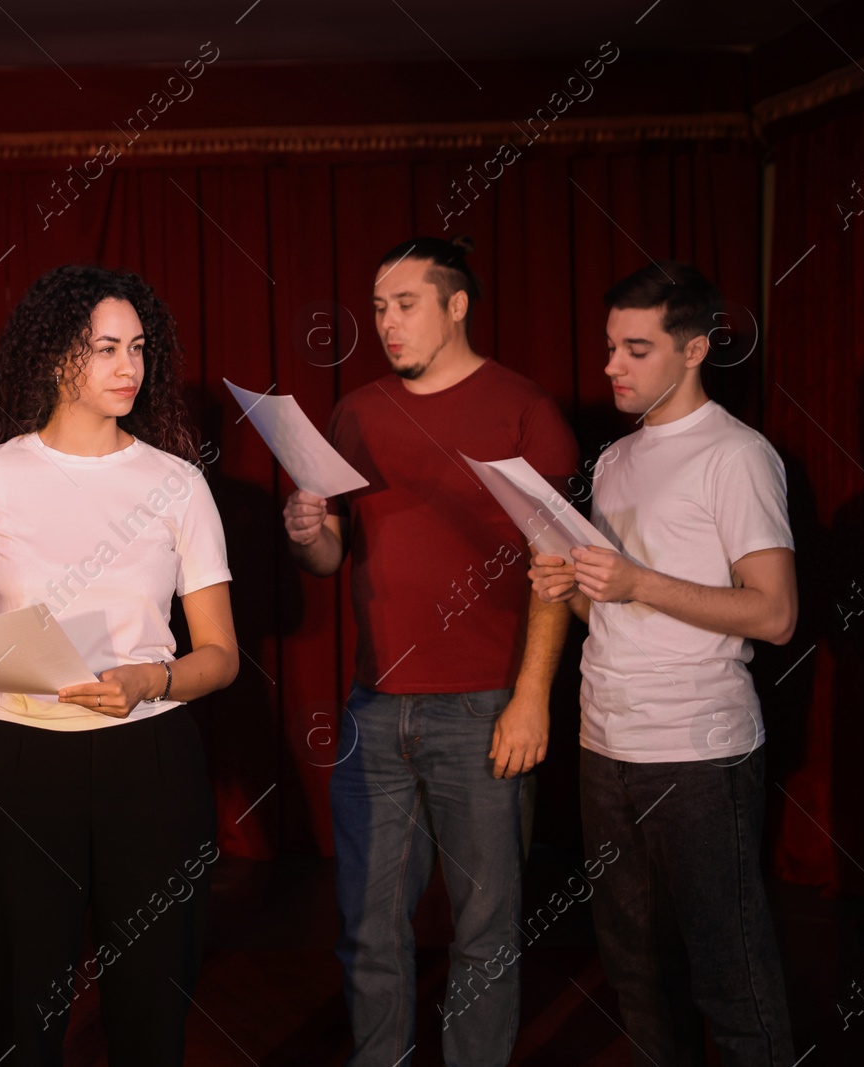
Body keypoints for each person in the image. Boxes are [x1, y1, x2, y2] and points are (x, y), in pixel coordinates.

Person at [0, 264, 238, 1066]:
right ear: (59, 355)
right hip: (22, 760)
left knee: (150, 1014)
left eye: (137, 348)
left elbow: (221, 656)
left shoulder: (178, 484)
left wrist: (151, 680)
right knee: (23, 1018)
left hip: (153, 758)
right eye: (106, 349)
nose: (129, 366)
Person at [284, 236, 579, 1066]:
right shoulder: (358, 410)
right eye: (377, 307)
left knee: (486, 928)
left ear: (457, 306)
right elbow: (329, 557)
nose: (385, 323)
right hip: (375, 708)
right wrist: (308, 533)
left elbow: (555, 571)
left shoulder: (524, 410)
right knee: (368, 924)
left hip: (485, 707)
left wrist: (531, 697)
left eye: (404, 304)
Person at [529, 262, 796, 1064]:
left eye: (635, 349)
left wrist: (639, 577)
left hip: (700, 754)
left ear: (695, 349)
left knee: (730, 973)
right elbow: (611, 613)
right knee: (636, 971)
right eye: (610, 346)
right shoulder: (614, 459)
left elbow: (776, 613)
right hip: (606, 745)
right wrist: (572, 581)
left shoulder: (737, 456)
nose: (611, 365)